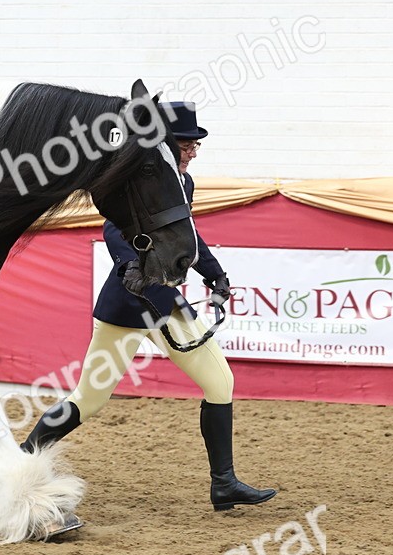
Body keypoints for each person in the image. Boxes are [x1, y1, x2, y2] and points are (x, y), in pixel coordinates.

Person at [21, 102, 276, 512]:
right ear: (165, 144)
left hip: (168, 303)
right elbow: (114, 226)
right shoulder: (133, 179)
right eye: (187, 144)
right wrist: (128, 268)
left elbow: (186, 236)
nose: (194, 151)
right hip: (128, 305)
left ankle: (224, 483)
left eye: (196, 145)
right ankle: (21, 458)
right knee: (89, 399)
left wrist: (216, 274)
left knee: (220, 383)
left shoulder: (183, 184)